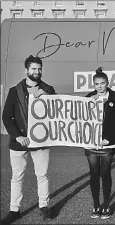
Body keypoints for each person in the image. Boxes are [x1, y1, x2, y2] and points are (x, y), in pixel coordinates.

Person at [2, 55, 56, 224]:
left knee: (43, 175)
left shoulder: (48, 89)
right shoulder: (14, 90)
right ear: (26, 70)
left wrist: (46, 97)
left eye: (39, 69)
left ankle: (44, 207)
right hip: (19, 143)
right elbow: (6, 117)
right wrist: (18, 136)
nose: (37, 72)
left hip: (41, 141)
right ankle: (14, 210)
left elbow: (56, 113)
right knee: (17, 177)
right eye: (33, 69)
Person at [84, 67, 115, 219]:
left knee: (105, 173)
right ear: (94, 84)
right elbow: (81, 120)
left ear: (107, 83)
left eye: (102, 83)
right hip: (91, 144)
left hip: (108, 144)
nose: (99, 86)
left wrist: (109, 138)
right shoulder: (88, 98)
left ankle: (106, 206)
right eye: (97, 83)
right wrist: (87, 103)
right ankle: (95, 205)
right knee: (94, 174)